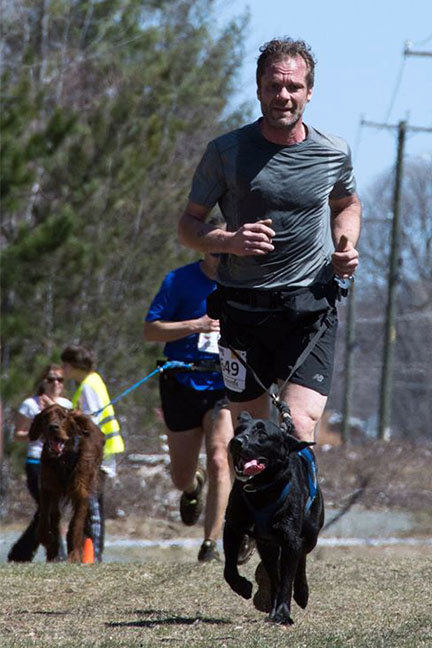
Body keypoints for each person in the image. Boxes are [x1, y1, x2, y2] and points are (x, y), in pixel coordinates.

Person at [177, 38, 361, 484]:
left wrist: (345, 245)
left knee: (298, 427)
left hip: (310, 307)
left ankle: (292, 532)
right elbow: (188, 226)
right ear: (259, 89)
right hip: (243, 309)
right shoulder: (227, 152)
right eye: (274, 86)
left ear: (309, 91)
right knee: (250, 435)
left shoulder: (332, 151)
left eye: (294, 87)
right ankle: (252, 526)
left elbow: (347, 204)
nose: (284, 96)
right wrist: (229, 240)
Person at [144, 250, 235, 562]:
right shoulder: (179, 280)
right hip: (182, 381)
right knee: (180, 476)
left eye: (229, 252)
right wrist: (195, 325)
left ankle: (210, 544)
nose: (222, 258)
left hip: (224, 383)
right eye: (217, 251)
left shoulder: (244, 282)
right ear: (203, 248)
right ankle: (193, 486)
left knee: (220, 457)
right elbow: (151, 329)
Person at [60, 344, 125, 561]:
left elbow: (92, 423)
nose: (62, 369)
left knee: (93, 503)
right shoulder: (91, 381)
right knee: (91, 502)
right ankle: (89, 553)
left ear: (74, 365)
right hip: (100, 451)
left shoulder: (88, 385)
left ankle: (95, 553)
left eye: (65, 365)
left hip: (98, 452)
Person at [8, 364, 72, 562]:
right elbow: (17, 435)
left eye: (60, 380)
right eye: (51, 379)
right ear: (43, 381)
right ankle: (57, 553)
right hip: (37, 461)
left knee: (49, 508)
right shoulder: (30, 404)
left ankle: (21, 553)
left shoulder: (66, 405)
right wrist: (38, 434)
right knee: (49, 507)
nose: (55, 384)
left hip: (60, 463)